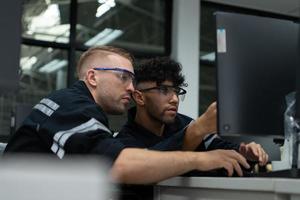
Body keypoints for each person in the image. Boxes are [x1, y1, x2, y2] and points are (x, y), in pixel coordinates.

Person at [5, 46, 250, 185]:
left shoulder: (82, 110)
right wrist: (200, 160)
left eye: (132, 80)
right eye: (123, 77)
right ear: (92, 77)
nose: (132, 88)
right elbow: (117, 166)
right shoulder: (70, 105)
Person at [117, 57, 269, 167]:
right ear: (139, 97)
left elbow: (220, 147)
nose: (175, 99)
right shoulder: (124, 142)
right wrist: (197, 130)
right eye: (164, 90)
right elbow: (148, 165)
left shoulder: (183, 123)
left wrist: (245, 153)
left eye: (176, 91)